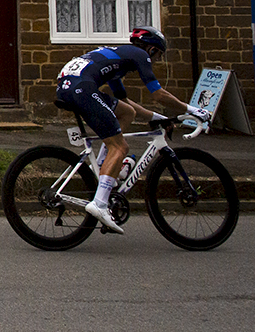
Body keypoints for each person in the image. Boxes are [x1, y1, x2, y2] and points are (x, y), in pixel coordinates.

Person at [54, 26, 212, 234]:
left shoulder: (118, 61)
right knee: (120, 146)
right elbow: (157, 94)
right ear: (152, 50)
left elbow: (125, 102)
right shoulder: (139, 54)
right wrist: (193, 110)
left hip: (73, 85)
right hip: (81, 88)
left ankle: (104, 165)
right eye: (158, 56)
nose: (155, 61)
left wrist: (159, 118)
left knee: (126, 112)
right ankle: (100, 204)